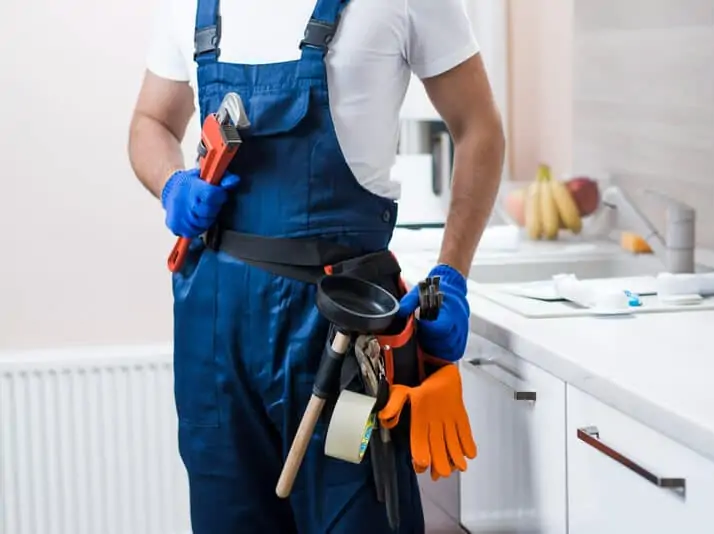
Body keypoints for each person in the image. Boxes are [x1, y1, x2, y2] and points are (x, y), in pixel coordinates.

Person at [127, 0, 504, 532]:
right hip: (215, 340)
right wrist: (171, 183)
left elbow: (479, 127)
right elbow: (149, 122)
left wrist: (452, 274)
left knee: (356, 508)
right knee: (227, 515)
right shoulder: (192, 6)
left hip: (343, 339)